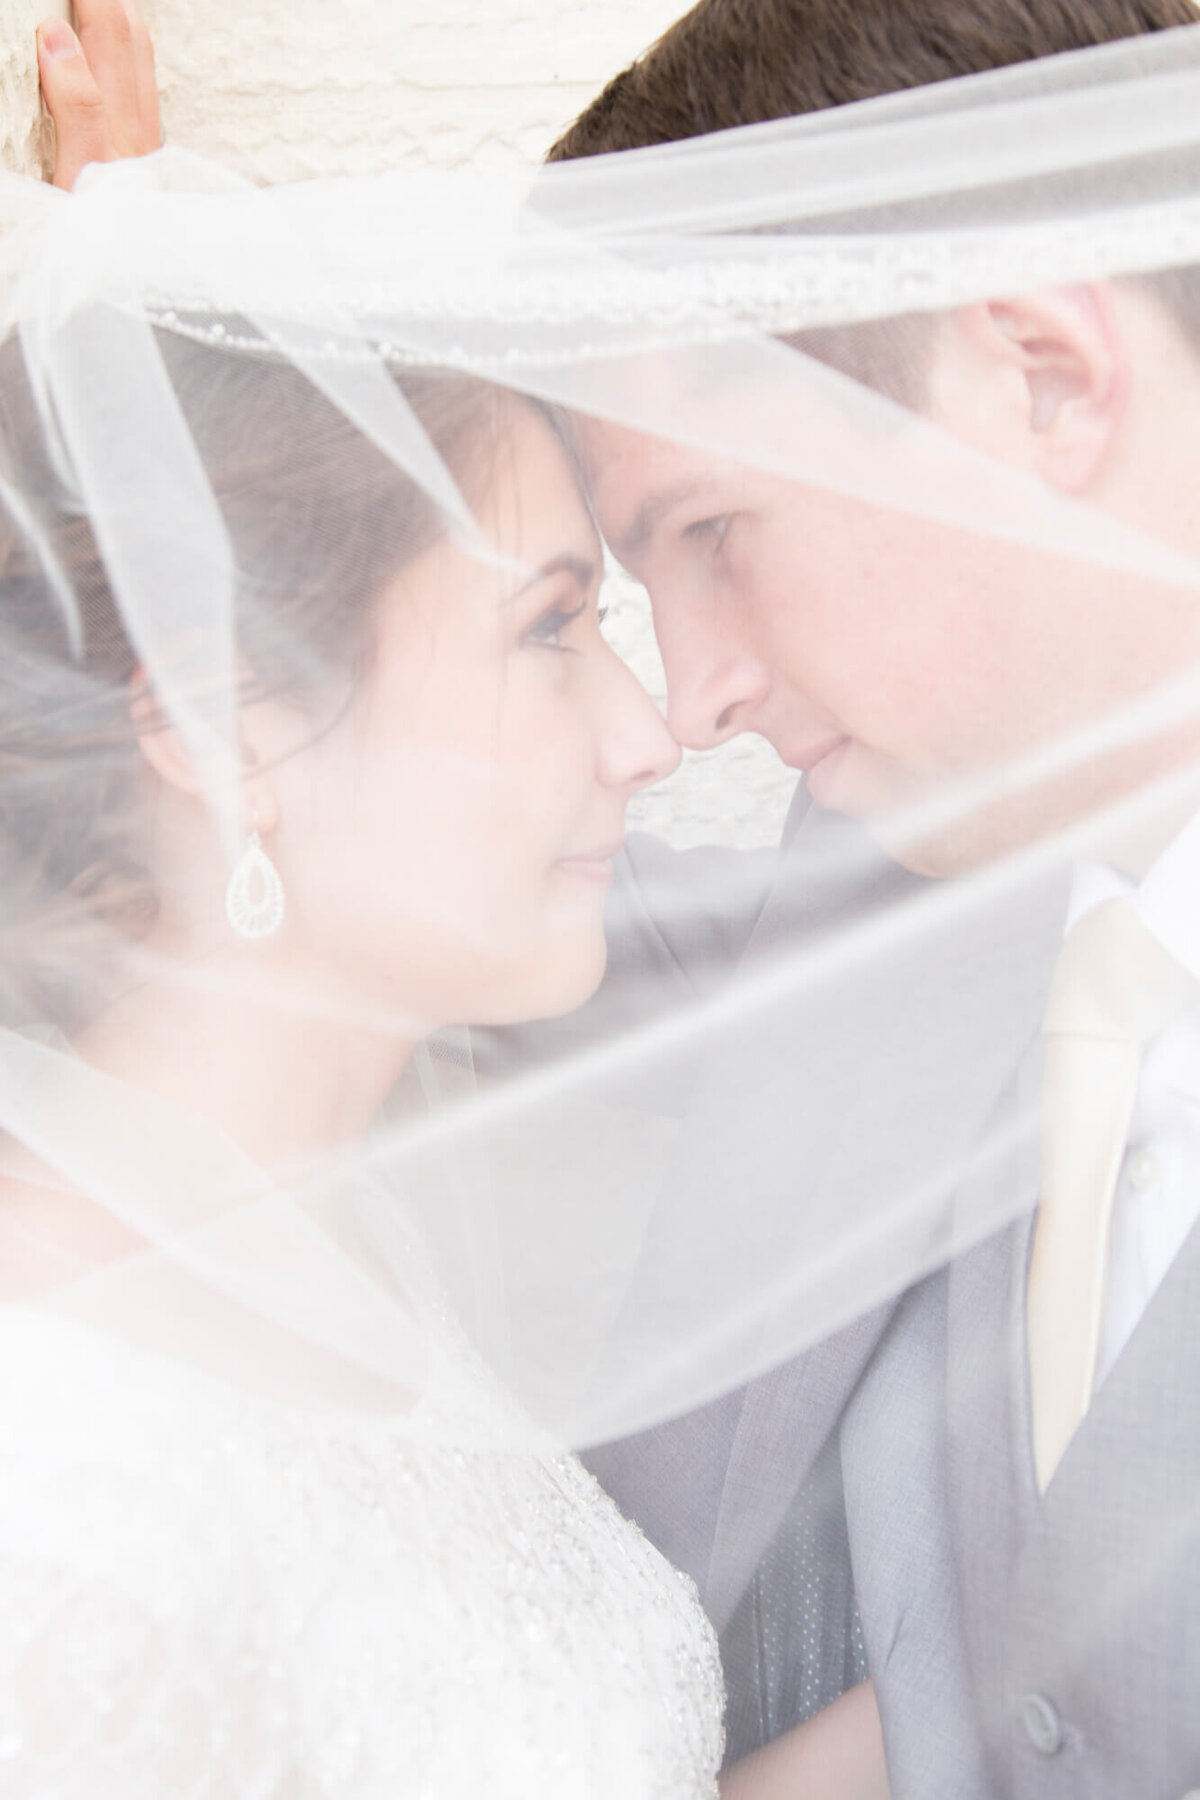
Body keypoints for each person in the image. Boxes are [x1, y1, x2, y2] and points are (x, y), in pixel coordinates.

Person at [31, 3, 1200, 1794]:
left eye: (714, 533)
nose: (687, 704)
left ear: (1048, 373)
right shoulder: (897, 853)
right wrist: (184, 457)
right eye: (579, 612)